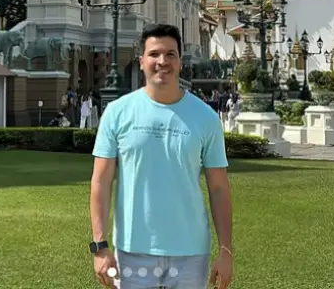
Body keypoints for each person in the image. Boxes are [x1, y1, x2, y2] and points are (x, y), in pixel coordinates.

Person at [90, 23, 233, 289]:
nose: (162, 61)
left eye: (170, 54)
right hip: (133, 250)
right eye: (154, 54)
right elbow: (100, 181)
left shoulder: (206, 118)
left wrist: (226, 251)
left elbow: (219, 188)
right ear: (142, 61)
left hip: (191, 252)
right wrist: (100, 246)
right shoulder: (117, 113)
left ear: (180, 61)